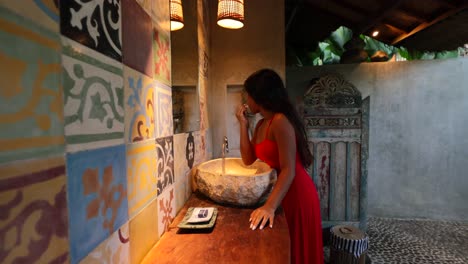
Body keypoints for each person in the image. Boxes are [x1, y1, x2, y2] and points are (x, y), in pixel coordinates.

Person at [236, 69, 323, 264]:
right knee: (286, 249)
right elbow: (248, 159)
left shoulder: (280, 122)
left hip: (298, 194)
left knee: (297, 251)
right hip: (282, 192)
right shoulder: (260, 125)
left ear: (259, 96)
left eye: (248, 94)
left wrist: (269, 207)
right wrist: (243, 124)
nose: (246, 99)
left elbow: (289, 169)